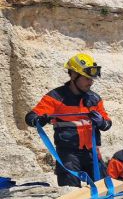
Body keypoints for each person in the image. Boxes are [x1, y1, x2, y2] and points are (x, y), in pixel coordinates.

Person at [25, 53, 112, 187]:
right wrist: (38, 120)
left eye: (92, 79)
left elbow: (107, 123)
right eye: (86, 78)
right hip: (68, 154)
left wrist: (102, 122)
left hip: (92, 152)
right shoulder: (56, 97)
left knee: (105, 190)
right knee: (71, 193)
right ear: (73, 75)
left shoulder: (94, 98)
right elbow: (30, 117)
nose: (91, 82)